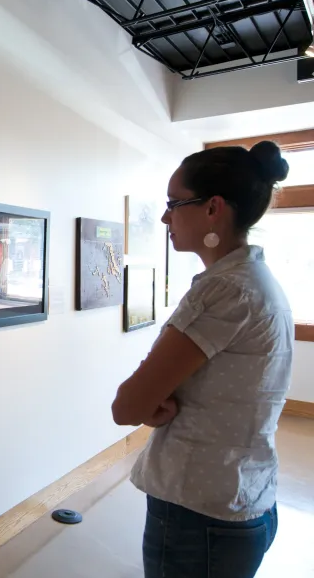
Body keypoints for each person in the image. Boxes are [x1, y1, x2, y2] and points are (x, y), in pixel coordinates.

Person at [112, 141, 294, 578]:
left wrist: (154, 406)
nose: (164, 217)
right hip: (238, 496)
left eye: (175, 204)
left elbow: (128, 406)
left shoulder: (227, 290)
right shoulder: (251, 279)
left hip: (200, 513)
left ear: (213, 208)